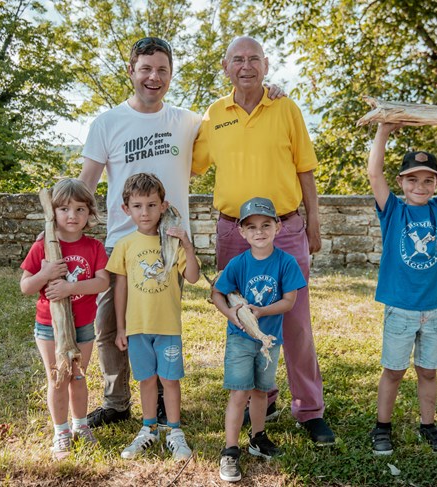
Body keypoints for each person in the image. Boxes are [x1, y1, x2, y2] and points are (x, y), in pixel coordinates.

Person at [80, 36, 284, 429]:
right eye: (146, 69)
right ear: (131, 72)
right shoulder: (106, 123)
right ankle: (116, 400)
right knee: (110, 325)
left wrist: (269, 91)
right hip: (120, 242)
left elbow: (237, 117)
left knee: (157, 321)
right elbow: (86, 184)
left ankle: (156, 395)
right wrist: (64, 223)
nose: (153, 77)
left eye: (162, 70)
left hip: (169, 245)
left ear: (171, 75)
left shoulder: (190, 122)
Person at [192, 36, 335, 446]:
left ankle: (309, 410)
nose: (246, 65)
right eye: (237, 59)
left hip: (286, 230)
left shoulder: (286, 108)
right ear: (225, 67)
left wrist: (314, 223)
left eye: (254, 58)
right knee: (244, 316)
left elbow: (306, 170)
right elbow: (188, 161)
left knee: (296, 322)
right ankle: (263, 397)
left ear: (267, 65)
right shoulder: (214, 115)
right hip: (233, 233)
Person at [366, 122, 437, 456]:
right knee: (395, 371)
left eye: (428, 180)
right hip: (400, 306)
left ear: (436, 184)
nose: (420, 185)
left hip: (435, 307)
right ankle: (382, 428)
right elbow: (374, 175)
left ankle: (429, 425)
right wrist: (383, 132)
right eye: (412, 179)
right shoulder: (394, 210)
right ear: (401, 182)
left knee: (428, 370)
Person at [211, 197, 307, 483]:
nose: (259, 232)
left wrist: (262, 310)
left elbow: (290, 301)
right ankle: (229, 450)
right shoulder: (238, 264)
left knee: (262, 391)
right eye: (251, 227)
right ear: (242, 231)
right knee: (240, 392)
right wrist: (230, 313)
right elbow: (217, 293)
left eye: (266, 225)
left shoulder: (285, 263)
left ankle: (257, 438)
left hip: (269, 340)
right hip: (240, 339)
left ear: (278, 227)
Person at [106, 173, 200, 461]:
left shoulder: (172, 243)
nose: (144, 212)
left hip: (167, 325)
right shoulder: (124, 244)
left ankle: (174, 431)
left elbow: (194, 277)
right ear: (126, 209)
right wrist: (121, 327)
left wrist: (186, 243)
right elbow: (119, 287)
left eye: (151, 205)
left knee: (169, 380)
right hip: (137, 328)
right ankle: (148, 429)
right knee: (146, 379)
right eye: (137, 206)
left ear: (163, 206)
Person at [20, 178, 111, 460]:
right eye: (65, 209)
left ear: (89, 214)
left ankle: (81, 426)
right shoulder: (43, 248)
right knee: (58, 378)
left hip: (83, 325)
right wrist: (46, 274)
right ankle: (61, 432)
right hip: (49, 326)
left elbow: (102, 282)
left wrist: (71, 288)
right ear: (53, 213)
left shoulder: (93, 247)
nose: (73, 216)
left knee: (78, 376)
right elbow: (26, 286)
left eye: (80, 209)